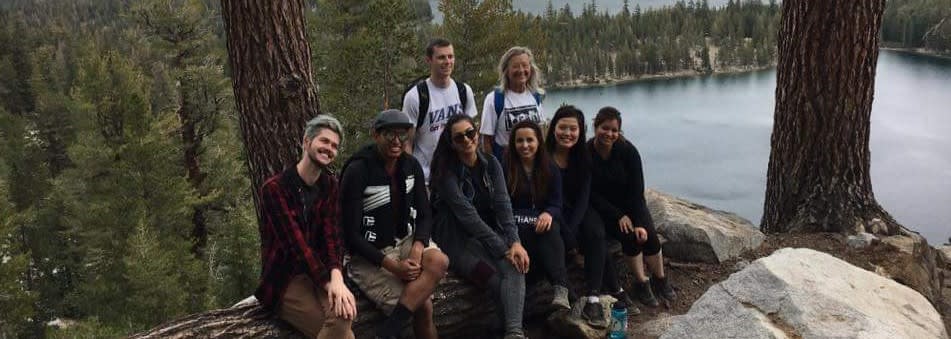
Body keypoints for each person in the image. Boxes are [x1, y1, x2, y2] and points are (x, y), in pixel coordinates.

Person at [340, 109, 449, 339]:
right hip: (370, 255)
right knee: (423, 306)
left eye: (403, 135)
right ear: (376, 135)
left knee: (439, 260)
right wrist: (393, 267)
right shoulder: (358, 170)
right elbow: (350, 235)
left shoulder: (410, 166)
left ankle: (388, 332)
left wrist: (418, 249)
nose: (397, 141)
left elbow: (425, 214)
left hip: (406, 240)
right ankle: (390, 332)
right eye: (390, 135)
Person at [254, 115, 356, 339]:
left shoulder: (329, 186)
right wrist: (330, 285)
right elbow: (295, 245)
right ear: (306, 142)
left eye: (334, 146)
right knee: (343, 332)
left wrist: (337, 276)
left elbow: (333, 236)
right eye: (324, 141)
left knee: (345, 316)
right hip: (286, 277)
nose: (329, 149)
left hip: (320, 272)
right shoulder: (275, 189)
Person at [430, 114, 530, 339]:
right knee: (493, 280)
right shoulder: (447, 173)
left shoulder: (491, 163)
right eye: (459, 137)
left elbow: (504, 206)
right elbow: (468, 217)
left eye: (470, 133)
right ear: (452, 143)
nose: (466, 139)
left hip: (488, 234)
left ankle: (514, 333)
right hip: (457, 242)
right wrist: (503, 249)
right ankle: (508, 327)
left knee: (516, 265)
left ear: (476, 133)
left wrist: (515, 243)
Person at [546, 105, 633, 326]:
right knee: (566, 233)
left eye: (573, 128)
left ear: (581, 130)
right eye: (562, 127)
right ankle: (616, 289)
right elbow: (545, 200)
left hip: (579, 210)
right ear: (553, 128)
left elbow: (584, 196)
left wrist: (574, 229)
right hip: (553, 213)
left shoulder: (582, 156)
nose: (567, 133)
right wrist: (567, 231)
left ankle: (594, 297)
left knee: (596, 232)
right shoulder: (544, 158)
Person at [587, 106, 676, 307]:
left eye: (614, 130)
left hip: (632, 205)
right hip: (606, 210)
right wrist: (619, 216)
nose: (609, 134)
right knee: (630, 237)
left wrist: (638, 221)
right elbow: (591, 194)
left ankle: (660, 280)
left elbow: (637, 190)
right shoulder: (587, 153)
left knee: (649, 236)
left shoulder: (628, 151)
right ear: (595, 127)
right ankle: (641, 283)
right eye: (604, 128)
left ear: (619, 132)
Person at [501, 120, 570, 311]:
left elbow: (557, 202)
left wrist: (548, 213)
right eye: (519, 141)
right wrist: (526, 217)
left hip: (542, 222)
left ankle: (561, 289)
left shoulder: (549, 167)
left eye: (529, 140)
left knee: (550, 229)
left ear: (538, 141)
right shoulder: (505, 167)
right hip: (515, 223)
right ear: (513, 144)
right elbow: (502, 203)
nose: (525, 145)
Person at [402, 38, 478, 182]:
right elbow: (407, 141)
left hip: (460, 174)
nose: (447, 61)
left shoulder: (463, 91)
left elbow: (472, 134)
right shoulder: (415, 96)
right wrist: (411, 177)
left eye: (450, 56)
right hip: (427, 178)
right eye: (441, 57)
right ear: (429, 60)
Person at [480, 46, 546, 160]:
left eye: (525, 65)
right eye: (515, 66)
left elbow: (539, 133)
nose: (521, 70)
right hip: (506, 163)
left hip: (533, 163)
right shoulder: (494, 99)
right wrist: (492, 169)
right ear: (506, 70)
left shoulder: (535, 96)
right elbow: (486, 140)